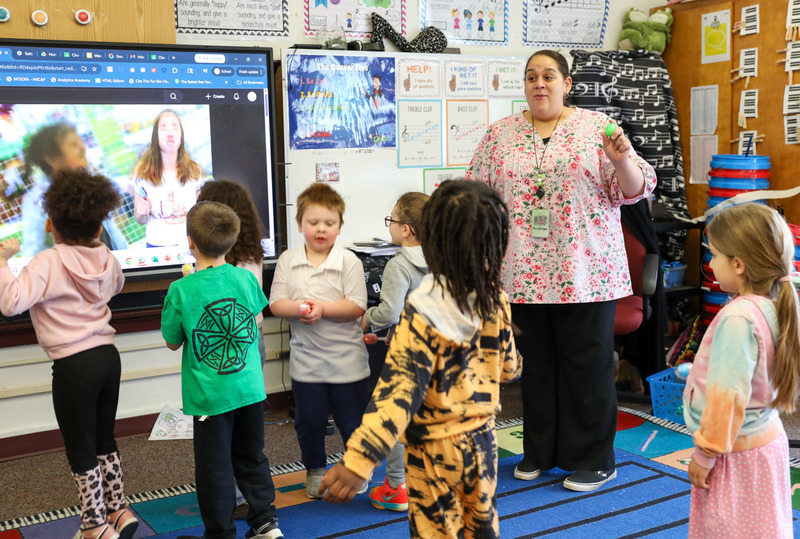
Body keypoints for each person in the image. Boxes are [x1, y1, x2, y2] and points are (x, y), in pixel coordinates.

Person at [466, 49, 657, 492]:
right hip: (523, 271)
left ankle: (595, 459)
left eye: (549, 76)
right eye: (531, 76)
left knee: (586, 370)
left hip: (586, 271)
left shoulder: (598, 130)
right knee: (537, 369)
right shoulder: (501, 135)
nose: (539, 84)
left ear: (567, 83)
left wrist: (621, 159)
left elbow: (635, 190)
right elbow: (477, 194)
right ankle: (541, 452)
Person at [319, 179, 522, 538]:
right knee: (481, 527)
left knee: (435, 532)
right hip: (483, 442)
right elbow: (509, 369)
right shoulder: (495, 300)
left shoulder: (423, 308)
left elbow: (398, 393)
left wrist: (358, 462)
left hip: (433, 450)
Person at [0, 169, 136, 539]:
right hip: (108, 358)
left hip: (74, 366)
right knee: (104, 439)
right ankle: (119, 510)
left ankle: (94, 526)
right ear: (97, 227)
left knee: (80, 448)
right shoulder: (106, 255)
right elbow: (118, 285)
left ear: (50, 224)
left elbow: (11, 302)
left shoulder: (47, 261)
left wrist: (2, 260)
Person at [161, 201, 283, 539]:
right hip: (250, 390)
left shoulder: (181, 290)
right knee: (252, 456)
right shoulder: (245, 278)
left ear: (190, 242)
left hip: (210, 399)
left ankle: (220, 533)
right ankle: (265, 523)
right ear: (231, 242)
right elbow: (256, 320)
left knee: (214, 468)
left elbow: (172, 341)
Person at [683, 203, 799, 538]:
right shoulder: (778, 305)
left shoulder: (737, 318)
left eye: (713, 255)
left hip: (735, 453)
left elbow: (727, 399)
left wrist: (704, 457)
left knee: (729, 528)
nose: (709, 263)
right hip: (767, 440)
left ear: (738, 264)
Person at [268, 183, 370, 499]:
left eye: (329, 223)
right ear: (300, 225)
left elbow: (356, 306)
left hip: (347, 363)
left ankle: (355, 469)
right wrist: (301, 310)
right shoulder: (288, 259)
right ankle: (314, 470)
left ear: (339, 226)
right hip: (306, 364)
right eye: (314, 223)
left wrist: (323, 309)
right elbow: (275, 303)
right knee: (309, 423)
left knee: (351, 422)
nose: (321, 230)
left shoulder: (349, 261)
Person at [196, 179, 267, 517]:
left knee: (224, 438)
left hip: (229, 357)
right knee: (247, 436)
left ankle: (232, 499)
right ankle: (256, 508)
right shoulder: (251, 254)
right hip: (250, 353)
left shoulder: (228, 268)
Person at [361, 191, 429, 512]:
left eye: (392, 221)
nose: (390, 226)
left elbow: (388, 313)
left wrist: (366, 320)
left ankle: (396, 486)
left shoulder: (398, 265)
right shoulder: (443, 259)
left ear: (406, 230)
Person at [19, 122, 128, 257]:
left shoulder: (90, 182)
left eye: (80, 142)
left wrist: (126, 258)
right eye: (74, 145)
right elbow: (33, 250)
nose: (83, 149)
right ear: (52, 158)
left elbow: (110, 229)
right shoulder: (36, 200)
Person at [133, 109, 203, 250]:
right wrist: (141, 212)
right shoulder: (142, 171)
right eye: (163, 127)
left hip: (189, 246)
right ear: (155, 136)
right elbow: (140, 219)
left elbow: (200, 215)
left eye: (175, 127)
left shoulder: (194, 171)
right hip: (156, 247)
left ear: (181, 136)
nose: (170, 132)